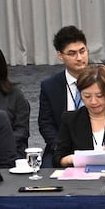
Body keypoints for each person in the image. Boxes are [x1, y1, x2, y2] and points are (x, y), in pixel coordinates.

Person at [37, 25, 96, 155]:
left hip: (99, 146)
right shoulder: (50, 86)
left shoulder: (103, 81)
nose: (80, 58)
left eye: (82, 51)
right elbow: (45, 123)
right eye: (72, 53)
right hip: (62, 147)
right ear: (60, 55)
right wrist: (60, 148)